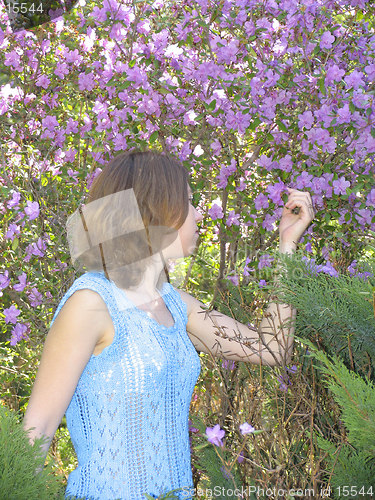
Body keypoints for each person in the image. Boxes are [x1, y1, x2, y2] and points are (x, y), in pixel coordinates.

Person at [23, 150, 315, 500]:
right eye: (189, 202)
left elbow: (272, 348)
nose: (198, 215)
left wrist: (287, 246)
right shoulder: (91, 304)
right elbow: (33, 438)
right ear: (157, 209)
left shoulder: (179, 306)